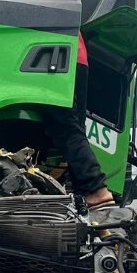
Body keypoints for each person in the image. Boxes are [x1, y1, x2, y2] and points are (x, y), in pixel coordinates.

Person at [43, 32, 115, 208]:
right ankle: (85, 195)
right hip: (75, 54)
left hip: (51, 54)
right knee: (74, 127)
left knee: (63, 127)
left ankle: (96, 188)